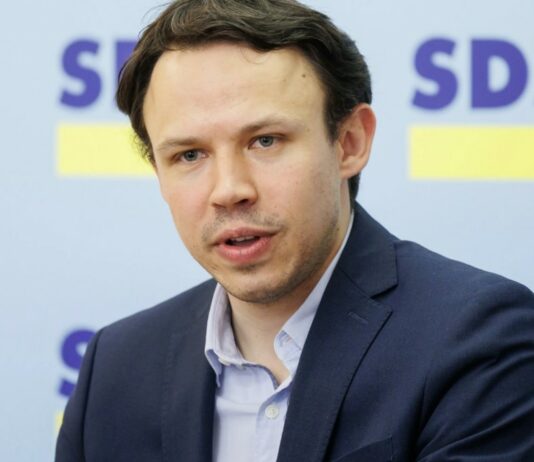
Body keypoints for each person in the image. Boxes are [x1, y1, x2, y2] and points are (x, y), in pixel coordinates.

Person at [55, 1, 534, 461]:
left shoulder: (479, 338)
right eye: (189, 155)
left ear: (350, 143)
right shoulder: (115, 368)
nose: (229, 190)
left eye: (265, 141)